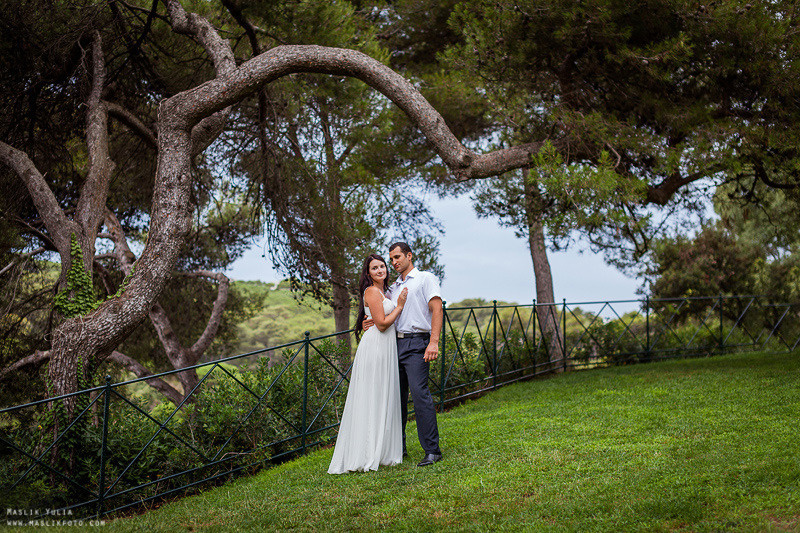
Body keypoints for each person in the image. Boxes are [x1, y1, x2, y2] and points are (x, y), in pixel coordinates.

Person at [328, 254, 408, 474]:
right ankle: (366, 452)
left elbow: (377, 317)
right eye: (375, 268)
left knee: (382, 395)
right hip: (376, 347)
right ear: (368, 273)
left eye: (382, 266)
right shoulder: (372, 291)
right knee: (372, 396)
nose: (380, 270)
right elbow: (381, 325)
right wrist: (399, 306)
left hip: (386, 347)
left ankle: (381, 450)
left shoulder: (385, 291)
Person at [366, 242, 443, 467]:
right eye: (391, 259)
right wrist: (366, 322)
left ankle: (432, 451)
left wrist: (433, 342)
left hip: (417, 343)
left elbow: (437, 309)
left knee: (419, 395)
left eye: (397, 257)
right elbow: (382, 314)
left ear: (409, 255)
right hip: (393, 344)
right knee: (395, 399)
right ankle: (398, 449)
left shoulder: (425, 278)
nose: (394, 262)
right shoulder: (392, 288)